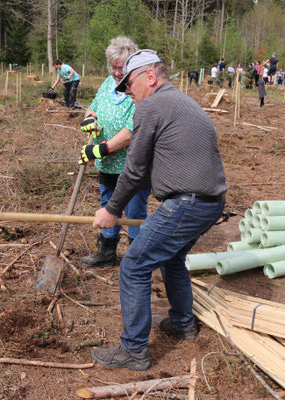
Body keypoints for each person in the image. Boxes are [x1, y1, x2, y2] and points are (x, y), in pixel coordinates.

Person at [90, 49, 227, 371]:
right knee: (172, 257)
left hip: (188, 204)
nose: (126, 93)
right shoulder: (182, 102)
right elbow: (160, 163)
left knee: (134, 265)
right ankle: (182, 323)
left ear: (149, 77)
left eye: (128, 84)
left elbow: (135, 170)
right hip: (208, 203)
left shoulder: (152, 105)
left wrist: (110, 210)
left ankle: (134, 351)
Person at [78, 37, 151, 268]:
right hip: (107, 165)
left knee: (134, 210)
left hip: (132, 166)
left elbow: (132, 130)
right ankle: (107, 252)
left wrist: (100, 149)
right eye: (114, 67)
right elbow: (93, 107)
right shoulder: (107, 84)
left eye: (122, 68)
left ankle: (136, 258)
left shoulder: (139, 88)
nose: (117, 73)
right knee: (108, 204)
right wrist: (89, 118)